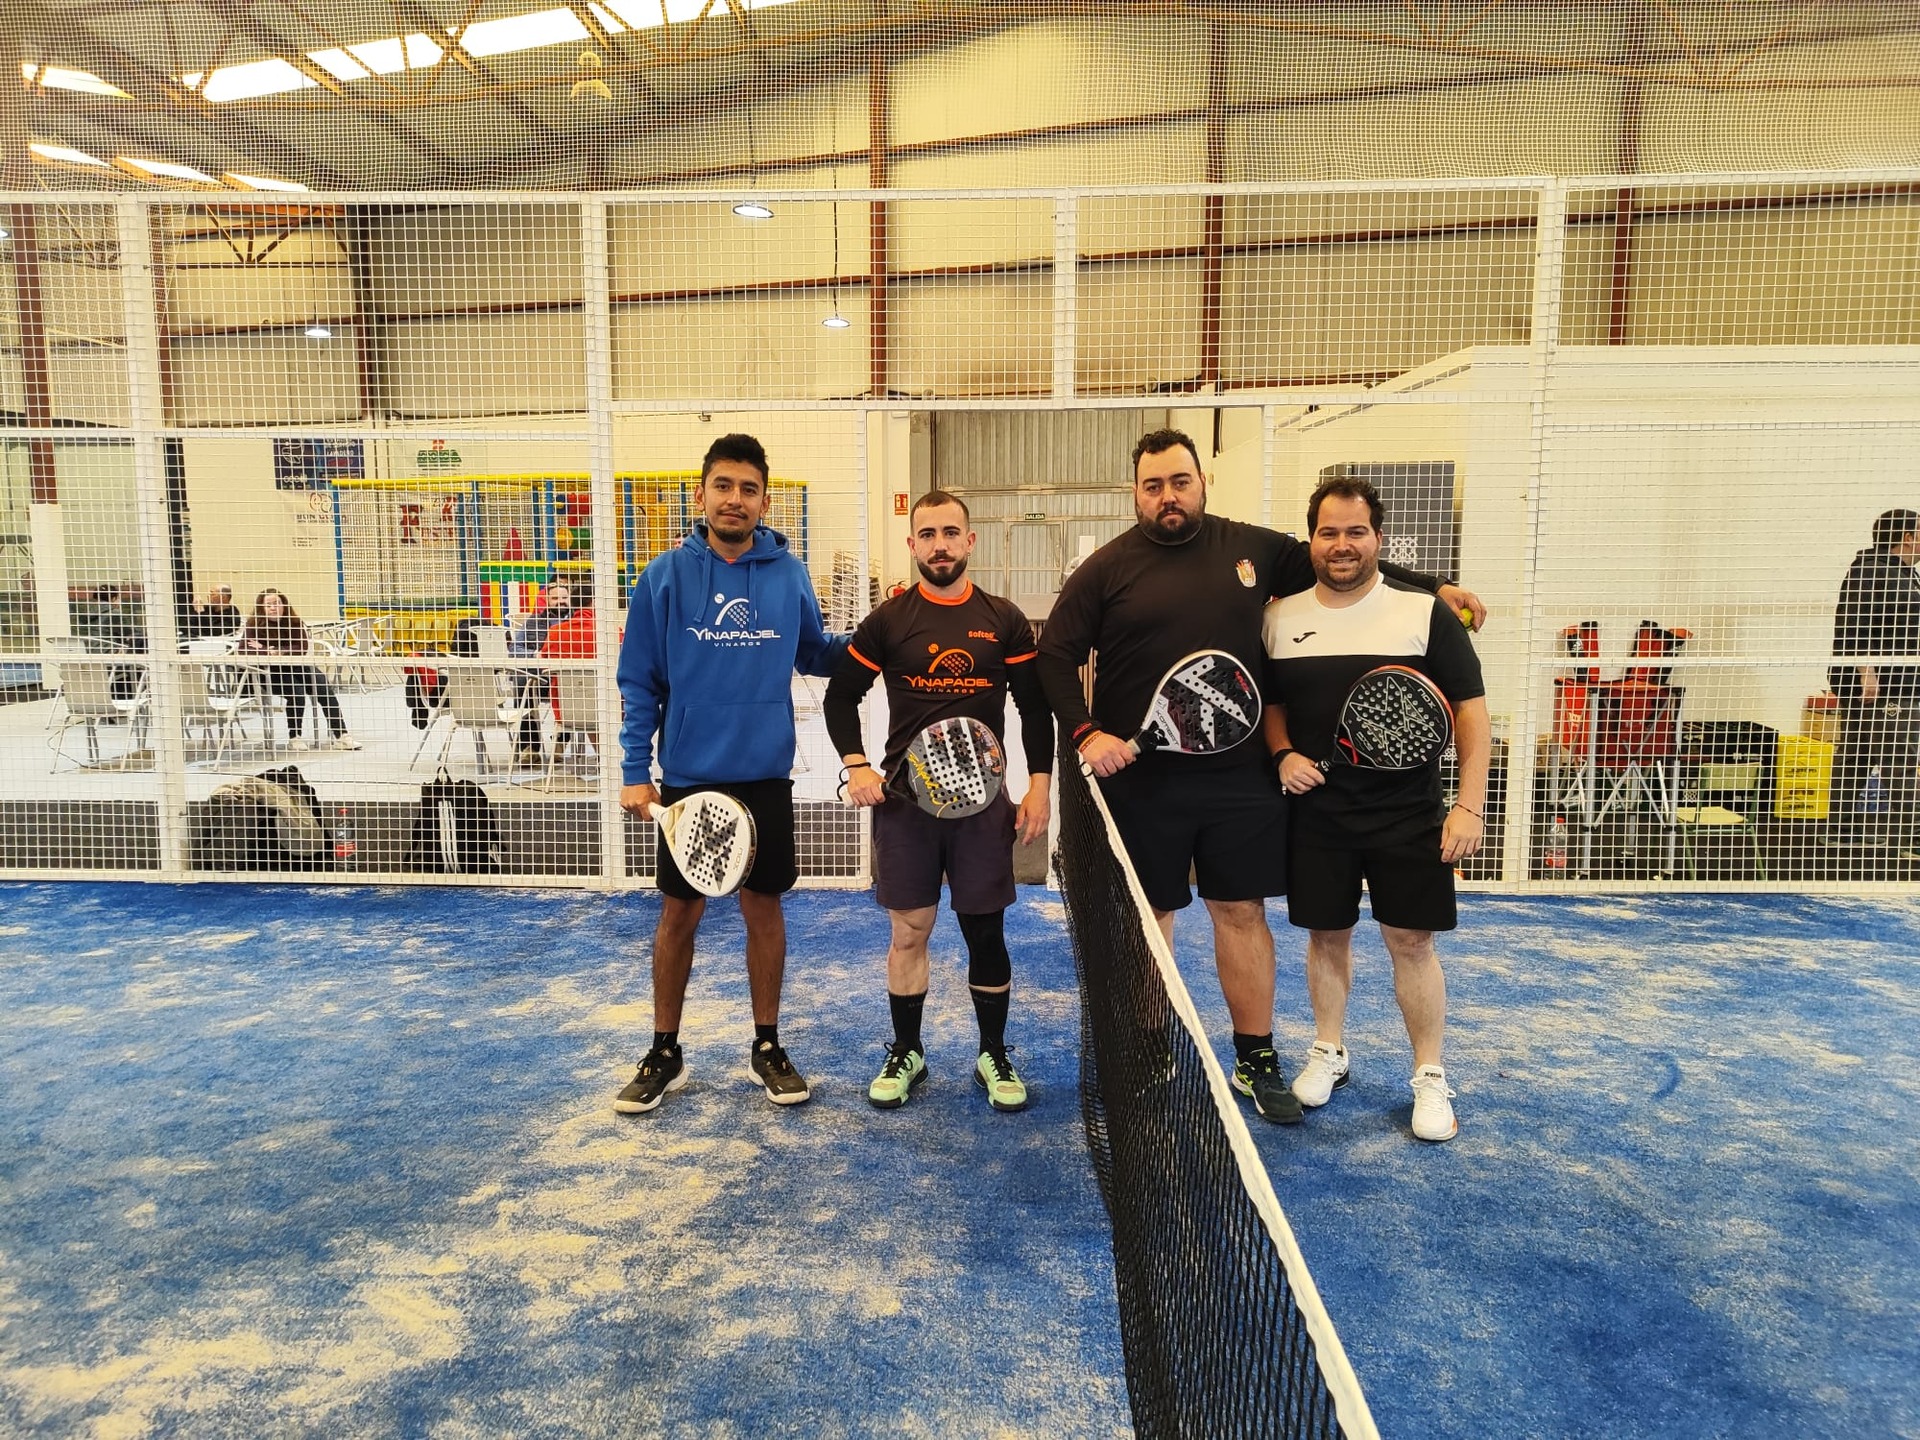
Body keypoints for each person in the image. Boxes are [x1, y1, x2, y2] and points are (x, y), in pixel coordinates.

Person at [1035, 427, 1483, 1125]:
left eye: (1180, 481)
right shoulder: (1105, 569)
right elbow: (1054, 656)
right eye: (1153, 486)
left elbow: (1343, 559)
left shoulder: (1254, 549)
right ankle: (1150, 1048)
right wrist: (1087, 733)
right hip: (1143, 785)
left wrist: (1435, 586)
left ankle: (1256, 1058)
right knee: (1152, 920)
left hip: (1240, 784)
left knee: (1241, 912)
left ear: (1202, 482)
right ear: (1136, 493)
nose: (1168, 496)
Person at [613, 434, 847, 1114]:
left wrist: (884, 639)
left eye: (748, 489)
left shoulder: (789, 575)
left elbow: (814, 652)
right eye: (723, 486)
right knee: (678, 913)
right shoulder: (663, 576)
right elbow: (639, 681)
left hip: (765, 775)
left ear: (765, 502)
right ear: (701, 495)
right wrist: (635, 769)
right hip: (690, 777)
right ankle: (664, 1050)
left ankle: (767, 1045)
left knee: (763, 909)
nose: (735, 499)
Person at [1262, 476, 1489, 1143]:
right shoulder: (1278, 619)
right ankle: (1328, 1051)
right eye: (1328, 532)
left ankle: (1429, 1075)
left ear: (1378, 539)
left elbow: (1471, 714)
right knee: (1326, 936)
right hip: (1318, 816)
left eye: (1355, 532)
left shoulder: (1424, 614)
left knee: (1411, 943)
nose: (1342, 545)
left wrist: (1470, 806)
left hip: (1409, 816)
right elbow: (1273, 706)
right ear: (1311, 541)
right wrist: (1282, 754)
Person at [822, 490, 1053, 1113]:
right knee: (909, 932)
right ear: (912, 544)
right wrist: (857, 765)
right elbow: (840, 696)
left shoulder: (1003, 619)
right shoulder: (888, 621)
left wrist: (1039, 785)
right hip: (906, 808)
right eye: (928, 534)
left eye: (951, 533)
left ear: (970, 541)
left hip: (983, 806)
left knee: (985, 933)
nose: (940, 545)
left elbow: (1035, 708)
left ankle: (993, 1053)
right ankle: (907, 1051)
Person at [1827, 508, 1920, 848]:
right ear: (1907, 537)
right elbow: (1854, 624)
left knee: (1857, 756)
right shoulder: (1870, 570)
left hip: (1895, 681)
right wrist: (1867, 674)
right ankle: (1912, 836)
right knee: (1898, 757)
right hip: (1883, 685)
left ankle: (1841, 831)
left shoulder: (1905, 574)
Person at [237, 588, 361, 750]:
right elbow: (244, 649)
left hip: (296, 665)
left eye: (277, 603)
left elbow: (301, 647)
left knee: (324, 688)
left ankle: (342, 736)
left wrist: (274, 650)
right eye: (268, 605)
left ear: (284, 605)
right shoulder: (253, 625)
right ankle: (294, 737)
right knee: (297, 693)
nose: (273, 608)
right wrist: (268, 651)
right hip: (268, 671)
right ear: (262, 608)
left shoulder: (294, 622)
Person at [508, 580, 574, 764]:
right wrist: (535, 654)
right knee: (522, 683)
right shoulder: (532, 622)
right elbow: (514, 648)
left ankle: (560, 742)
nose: (560, 602)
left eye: (564, 598)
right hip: (538, 676)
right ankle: (530, 747)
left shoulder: (576, 621)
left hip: (566, 677)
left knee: (572, 687)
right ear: (547, 600)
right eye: (555, 598)